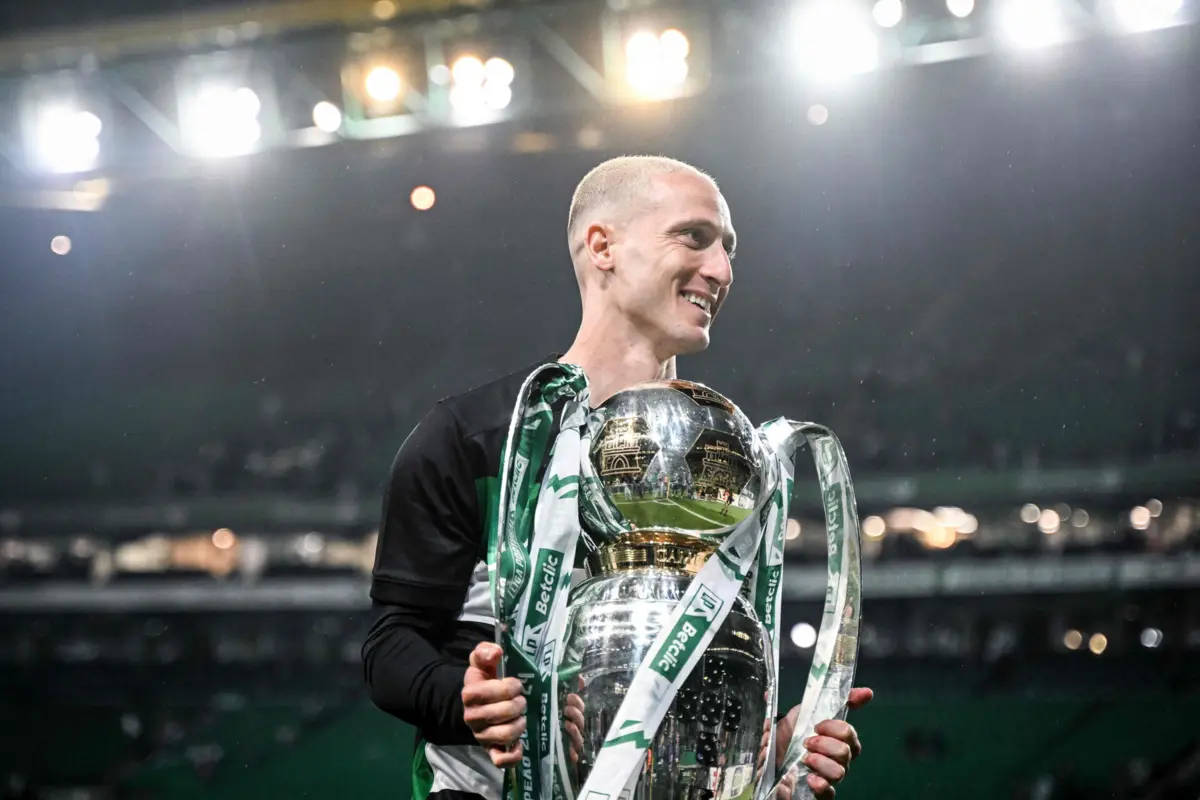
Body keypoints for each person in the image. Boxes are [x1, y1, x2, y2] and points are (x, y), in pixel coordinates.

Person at [363, 155, 873, 800]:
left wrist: (762, 752)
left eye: (728, 248)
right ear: (603, 247)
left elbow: (674, 683)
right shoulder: (476, 438)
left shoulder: (725, 464)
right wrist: (465, 699)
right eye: (693, 237)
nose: (722, 270)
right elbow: (390, 647)